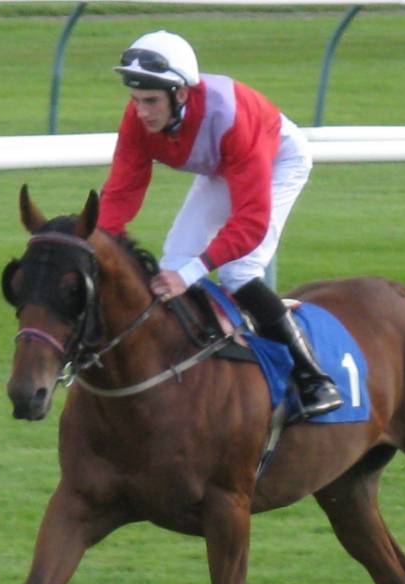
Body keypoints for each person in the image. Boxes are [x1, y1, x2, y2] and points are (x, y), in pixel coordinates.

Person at [98, 30, 342, 420]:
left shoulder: (231, 118)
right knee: (172, 264)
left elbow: (250, 224)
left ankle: (315, 379)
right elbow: (121, 191)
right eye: (135, 99)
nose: (141, 112)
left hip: (276, 159)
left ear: (181, 94)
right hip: (223, 165)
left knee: (238, 271)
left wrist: (192, 273)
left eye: (151, 101)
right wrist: (99, 243)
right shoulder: (138, 119)